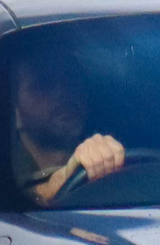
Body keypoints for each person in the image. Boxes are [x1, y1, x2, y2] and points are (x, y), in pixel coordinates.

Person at [10, 47, 126, 205]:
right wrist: (66, 177)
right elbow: (10, 202)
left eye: (72, 79)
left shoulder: (114, 151)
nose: (63, 92)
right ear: (14, 111)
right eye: (43, 84)